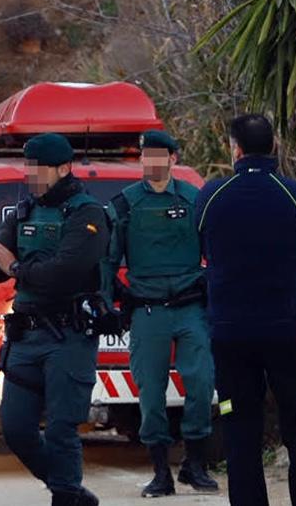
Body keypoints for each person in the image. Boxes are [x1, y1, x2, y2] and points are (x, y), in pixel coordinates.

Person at [0, 133, 109, 506]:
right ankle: (71, 493)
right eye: (29, 167)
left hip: (68, 337)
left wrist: (16, 268)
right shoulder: (25, 211)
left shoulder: (87, 214)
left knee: (61, 429)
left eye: (39, 168)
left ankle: (65, 496)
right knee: (16, 429)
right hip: (26, 337)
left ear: (63, 168)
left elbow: (65, 272)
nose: (32, 174)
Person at [194, 114, 296, 506]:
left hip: (230, 333)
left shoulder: (212, 194)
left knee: (238, 427)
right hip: (286, 329)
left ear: (235, 149)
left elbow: (202, 248)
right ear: (274, 146)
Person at [102, 130, 218, 498]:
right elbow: (107, 259)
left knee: (201, 383)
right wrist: (107, 301)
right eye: (145, 155)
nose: (151, 162)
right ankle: (160, 472)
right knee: (150, 393)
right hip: (148, 311)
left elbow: (216, 251)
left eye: (158, 155)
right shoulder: (125, 204)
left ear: (173, 158)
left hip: (190, 309)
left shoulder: (195, 199)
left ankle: (195, 464)